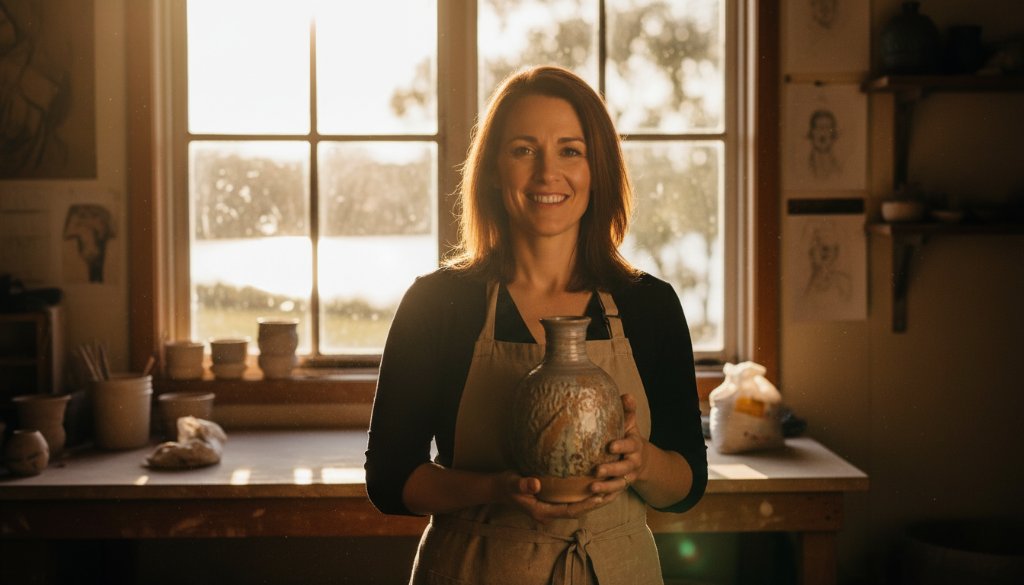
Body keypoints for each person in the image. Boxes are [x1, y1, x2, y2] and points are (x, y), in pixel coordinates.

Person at [364, 65, 708, 585]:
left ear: (599, 169)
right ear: (494, 169)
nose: (549, 173)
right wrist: (494, 489)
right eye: (524, 149)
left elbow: (687, 484)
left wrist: (642, 463)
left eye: (571, 150)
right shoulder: (436, 304)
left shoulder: (649, 305)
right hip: (475, 568)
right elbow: (390, 481)